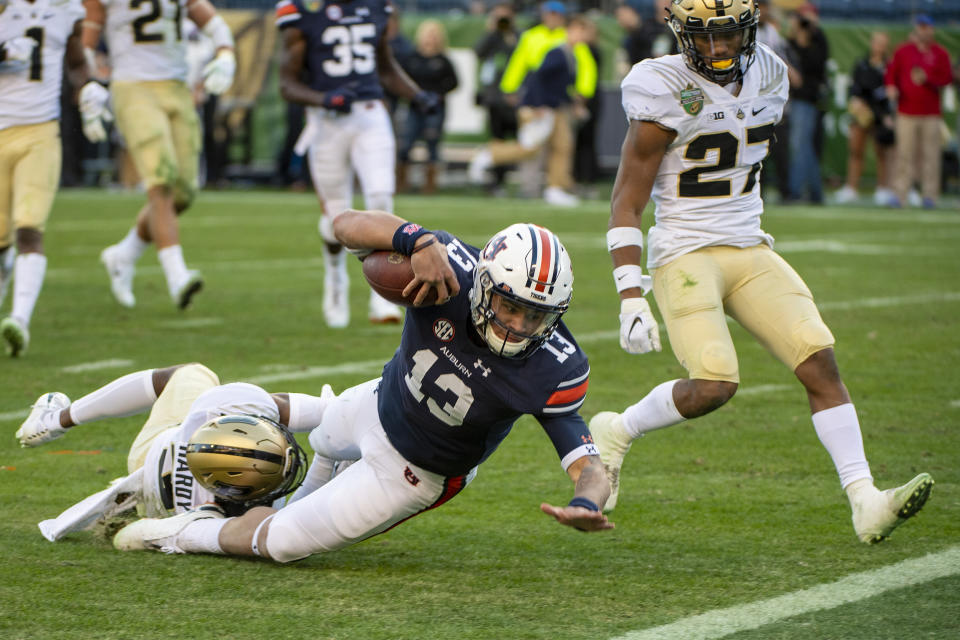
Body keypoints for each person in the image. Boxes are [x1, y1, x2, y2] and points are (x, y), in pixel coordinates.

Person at [589, 0, 933, 546]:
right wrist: (631, 294)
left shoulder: (771, 72)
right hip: (685, 251)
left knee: (818, 358)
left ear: (748, 29)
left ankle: (865, 499)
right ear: (680, 34)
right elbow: (626, 203)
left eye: (728, 34)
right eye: (704, 36)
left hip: (749, 245)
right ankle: (618, 429)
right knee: (714, 383)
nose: (718, 47)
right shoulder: (658, 86)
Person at [111, 212, 613, 561]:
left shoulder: (554, 368)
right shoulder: (449, 266)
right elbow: (344, 224)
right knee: (323, 444)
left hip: (416, 472)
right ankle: (256, 494)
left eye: (536, 315)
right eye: (510, 307)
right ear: (484, 285)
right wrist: (413, 240)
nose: (520, 325)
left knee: (283, 544)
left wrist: (589, 502)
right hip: (376, 401)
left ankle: (188, 534)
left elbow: (589, 466)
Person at [15, 362, 334, 540]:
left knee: (191, 374)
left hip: (156, 455)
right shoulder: (213, 517)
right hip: (166, 505)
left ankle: (55, 419)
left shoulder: (212, 410)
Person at [276, 0, 441, 328]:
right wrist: (324, 98)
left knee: (381, 199)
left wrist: (416, 94)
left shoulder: (377, 7)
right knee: (336, 218)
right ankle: (335, 281)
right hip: (327, 122)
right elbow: (286, 83)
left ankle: (382, 296)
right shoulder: (303, 10)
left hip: (370, 115)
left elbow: (385, 67)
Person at [79, 0, 237, 310]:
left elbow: (210, 20)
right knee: (160, 181)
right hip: (132, 85)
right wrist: (90, 84)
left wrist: (226, 52)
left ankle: (124, 254)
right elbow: (87, 39)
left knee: (184, 193)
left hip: (177, 86)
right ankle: (177, 276)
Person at [0, 2, 89, 356]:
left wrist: (90, 88)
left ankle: (19, 320)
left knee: (29, 229)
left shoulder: (67, 8)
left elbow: (78, 64)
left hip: (40, 131)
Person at [468, 14, 596, 208]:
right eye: (582, 31)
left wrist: (574, 104)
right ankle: (488, 155)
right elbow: (537, 78)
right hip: (541, 108)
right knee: (530, 148)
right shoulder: (557, 53)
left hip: (553, 108)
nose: (584, 37)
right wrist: (536, 105)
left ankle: (556, 188)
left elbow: (559, 87)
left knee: (562, 147)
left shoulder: (569, 53)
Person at [884, 14, 953, 209]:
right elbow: (891, 72)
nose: (924, 30)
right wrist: (891, 87)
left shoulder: (940, 53)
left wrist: (928, 79)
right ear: (916, 28)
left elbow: (947, 78)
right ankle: (900, 194)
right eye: (921, 27)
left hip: (931, 112)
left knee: (930, 155)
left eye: (927, 27)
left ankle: (929, 195)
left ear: (932, 29)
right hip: (906, 110)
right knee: (904, 154)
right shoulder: (904, 51)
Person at [396, 20, 459, 195]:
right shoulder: (412, 58)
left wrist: (437, 95)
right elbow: (402, 80)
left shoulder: (443, 60)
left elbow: (454, 83)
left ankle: (429, 187)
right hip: (414, 107)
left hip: (434, 109)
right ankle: (402, 184)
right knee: (405, 144)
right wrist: (414, 95)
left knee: (432, 144)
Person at [835, 31, 895, 206]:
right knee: (856, 151)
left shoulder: (889, 66)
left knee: (881, 153)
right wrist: (857, 102)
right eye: (877, 42)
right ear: (872, 43)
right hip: (862, 114)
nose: (879, 46)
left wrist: (884, 113)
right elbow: (854, 87)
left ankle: (883, 188)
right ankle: (851, 188)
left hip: (881, 115)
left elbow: (888, 90)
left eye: (883, 43)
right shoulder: (861, 64)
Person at [473, 3, 519, 196]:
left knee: (515, 141)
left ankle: (505, 176)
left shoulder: (516, 35)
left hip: (513, 97)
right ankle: (495, 180)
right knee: (496, 138)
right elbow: (478, 51)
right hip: (494, 97)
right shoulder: (492, 37)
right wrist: (492, 30)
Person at [785, 3, 828, 204]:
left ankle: (795, 191)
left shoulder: (819, 39)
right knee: (804, 147)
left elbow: (815, 64)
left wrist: (806, 36)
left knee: (800, 145)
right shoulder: (791, 40)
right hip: (793, 97)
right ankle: (816, 193)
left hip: (809, 99)